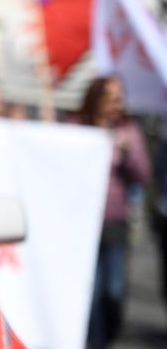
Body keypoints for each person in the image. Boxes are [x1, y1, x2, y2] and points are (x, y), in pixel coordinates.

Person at [74, 76, 151, 349]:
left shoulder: (128, 131)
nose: (117, 105)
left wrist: (129, 152)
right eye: (111, 98)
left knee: (113, 290)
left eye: (120, 98)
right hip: (83, 224)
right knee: (90, 292)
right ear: (97, 99)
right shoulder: (78, 128)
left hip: (115, 223)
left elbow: (143, 174)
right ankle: (93, 342)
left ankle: (108, 335)